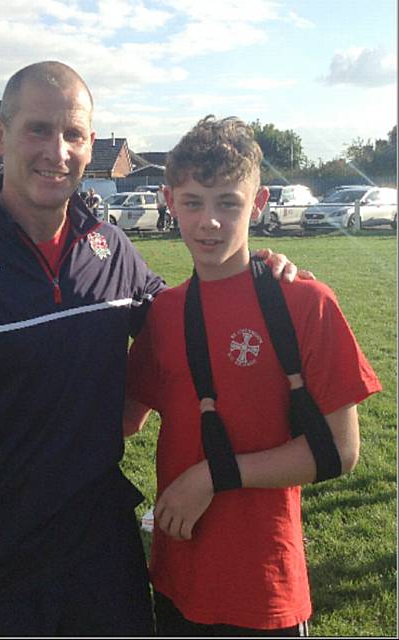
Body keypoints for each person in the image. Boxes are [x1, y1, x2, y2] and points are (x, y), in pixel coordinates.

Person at [0, 63, 303, 637]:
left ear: (91, 144)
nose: (57, 151)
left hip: (104, 562)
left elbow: (182, 320)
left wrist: (258, 278)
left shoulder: (110, 248)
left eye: (73, 135)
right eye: (38, 130)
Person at [123, 116, 382, 637]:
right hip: (176, 573)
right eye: (193, 202)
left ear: (259, 203)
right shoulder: (165, 313)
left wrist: (213, 475)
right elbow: (125, 422)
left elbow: (339, 451)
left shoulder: (306, 303)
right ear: (168, 202)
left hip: (264, 587)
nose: (209, 222)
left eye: (228, 203)